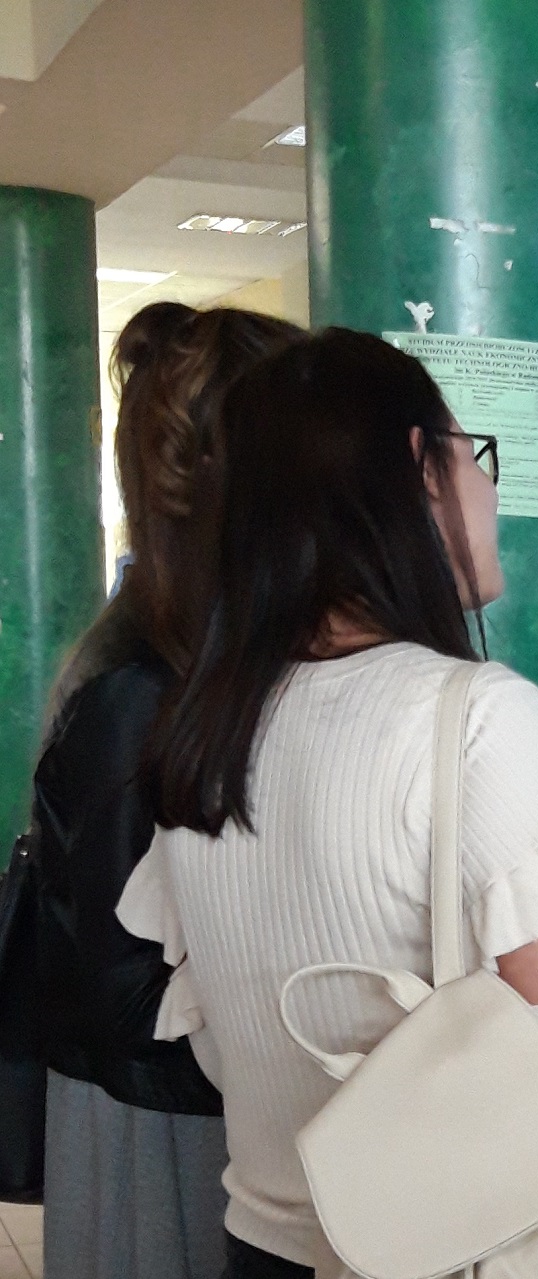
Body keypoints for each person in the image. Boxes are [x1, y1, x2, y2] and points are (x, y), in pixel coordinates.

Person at [120, 329, 538, 1279]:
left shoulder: (209, 728)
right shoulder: (475, 716)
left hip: (260, 1246)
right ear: (420, 469)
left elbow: (229, 1047)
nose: (491, 491)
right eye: (476, 457)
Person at [31, 302, 304, 1279]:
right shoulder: (135, 692)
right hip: (163, 1127)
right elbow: (127, 1004)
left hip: (223, 1108)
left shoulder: (218, 664)